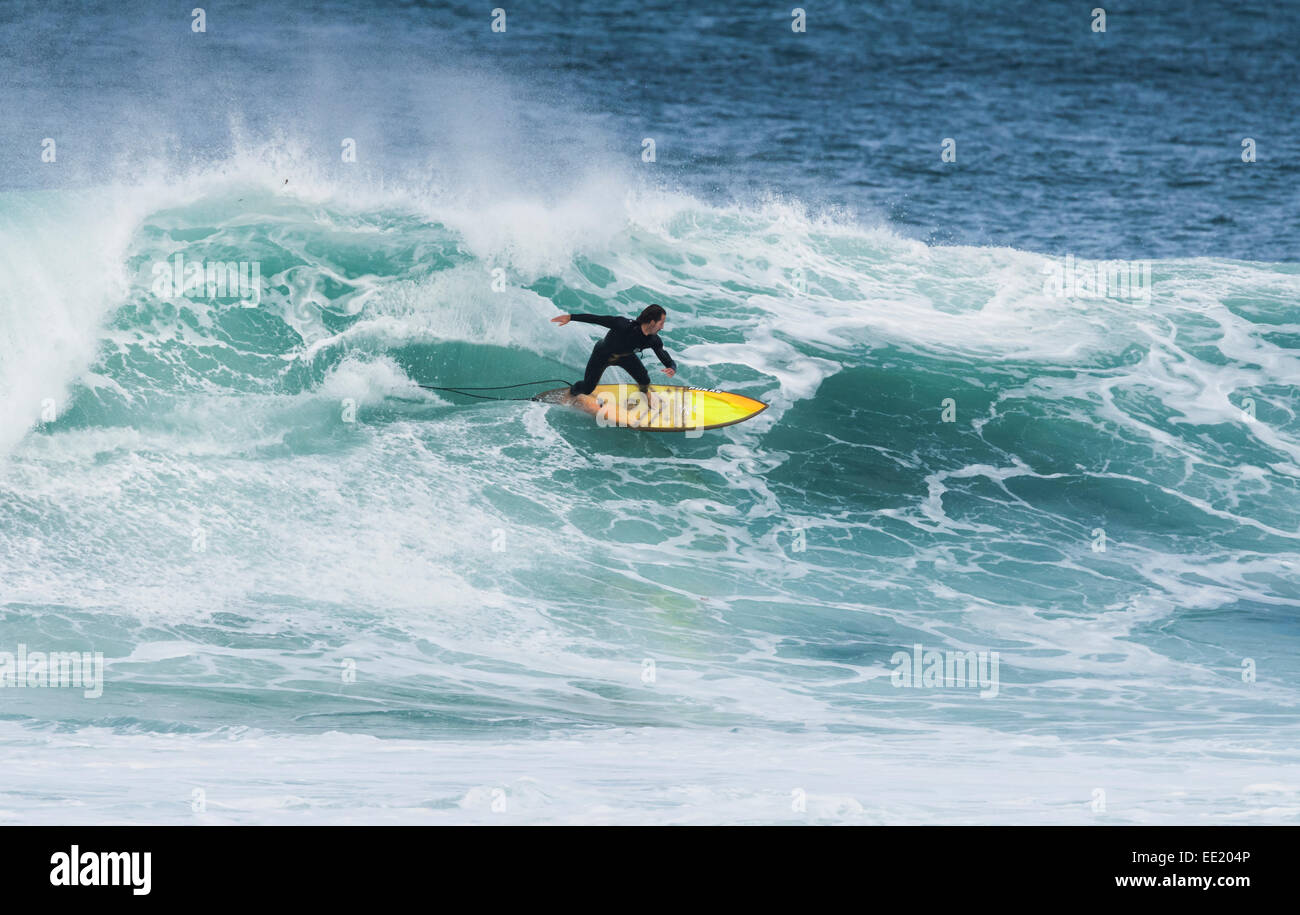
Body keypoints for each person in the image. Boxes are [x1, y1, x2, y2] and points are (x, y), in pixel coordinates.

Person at [551, 304, 677, 399]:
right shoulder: (623, 325)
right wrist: (571, 317)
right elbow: (597, 319)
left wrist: (671, 366)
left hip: (625, 356)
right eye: (661, 323)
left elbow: (663, 355)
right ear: (652, 322)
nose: (662, 327)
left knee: (644, 379)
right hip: (602, 355)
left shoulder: (653, 340)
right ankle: (571, 392)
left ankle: (645, 394)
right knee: (588, 388)